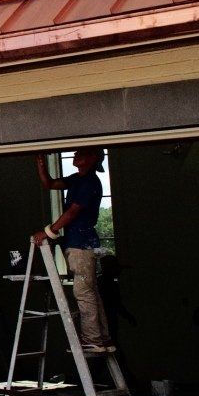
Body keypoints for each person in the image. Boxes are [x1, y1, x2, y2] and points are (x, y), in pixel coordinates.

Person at [32, 147, 113, 353]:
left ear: (93, 159)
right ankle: (102, 337)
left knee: (83, 291)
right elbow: (49, 184)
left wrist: (49, 232)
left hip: (82, 243)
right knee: (90, 291)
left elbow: (73, 211)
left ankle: (93, 338)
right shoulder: (77, 179)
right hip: (77, 241)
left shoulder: (89, 183)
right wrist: (41, 165)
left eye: (80, 154)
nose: (75, 156)